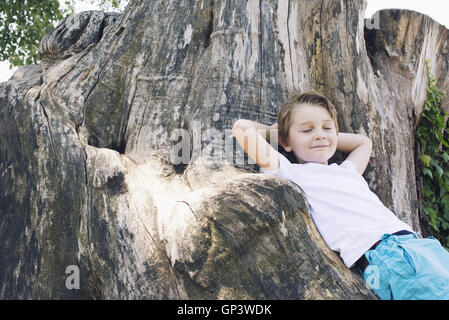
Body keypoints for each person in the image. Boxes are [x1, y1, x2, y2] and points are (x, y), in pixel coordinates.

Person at [232, 90, 449, 300]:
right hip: (386, 254)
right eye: (306, 131)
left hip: (420, 247)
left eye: (327, 127)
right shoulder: (292, 172)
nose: (319, 135)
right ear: (285, 142)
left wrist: (327, 135)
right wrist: (279, 134)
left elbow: (363, 142)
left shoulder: (347, 170)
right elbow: (241, 128)